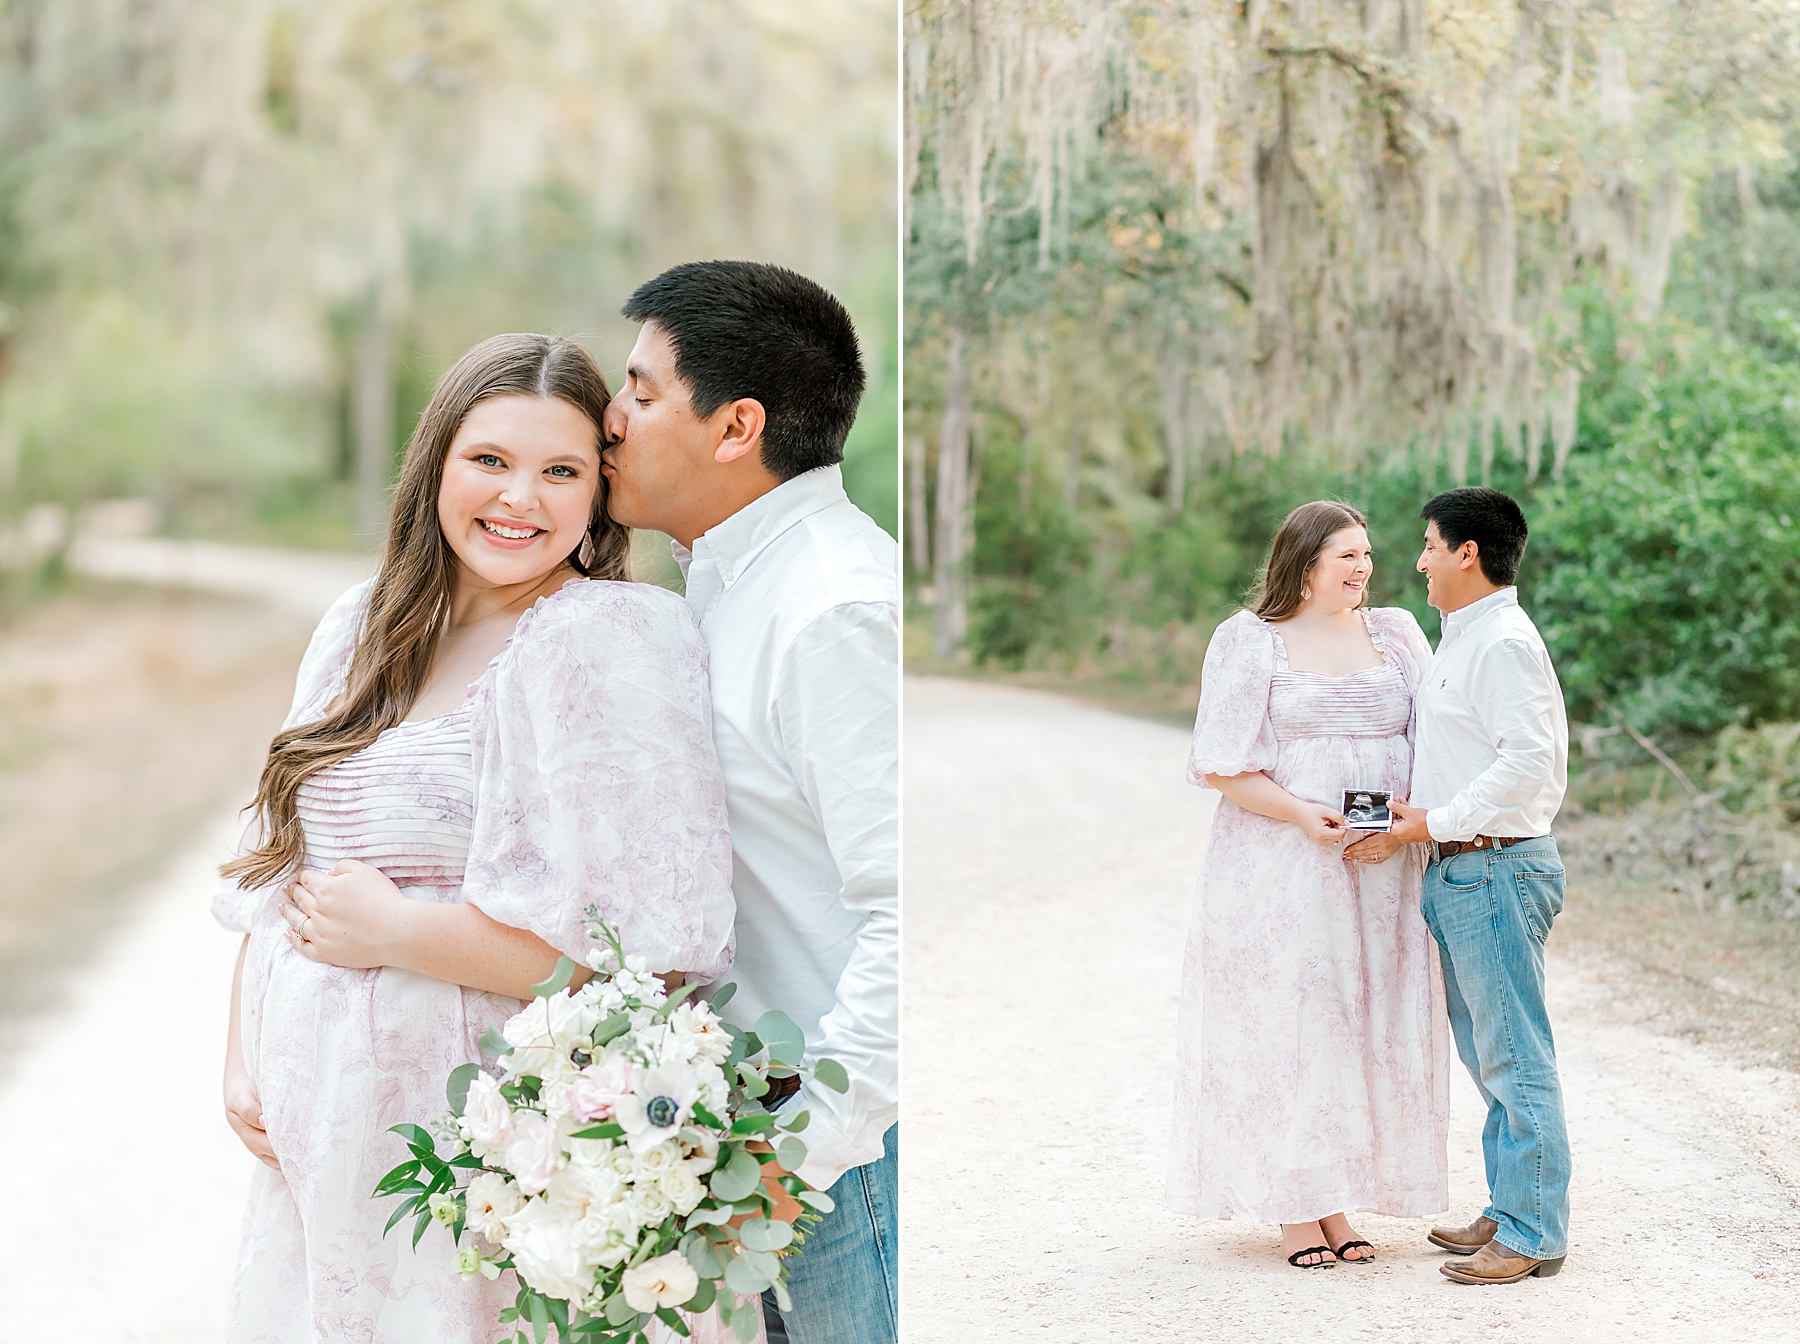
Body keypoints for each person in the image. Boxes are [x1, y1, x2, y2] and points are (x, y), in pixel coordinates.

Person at [214, 333, 737, 1342]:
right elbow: (276, 867)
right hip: (319, 1143)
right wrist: (241, 1061)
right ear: (437, 466)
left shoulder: (609, 638)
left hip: (493, 1163)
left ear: (600, 494)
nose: (520, 500)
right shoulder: (361, 625)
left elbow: (645, 961)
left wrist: (402, 933)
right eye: (490, 461)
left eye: (561, 472)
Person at [599, 260, 898, 1343]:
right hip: (763, 1129)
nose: (611, 418)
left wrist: (803, 1155)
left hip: (847, 1146)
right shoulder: (721, 581)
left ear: (736, 428)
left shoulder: (835, 609)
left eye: (639, 391)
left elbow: (907, 908)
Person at [1168, 500, 1450, 1268]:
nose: (1362, 569)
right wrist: (1300, 813)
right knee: (1295, 1023)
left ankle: (1337, 1197)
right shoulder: (1250, 641)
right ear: (1302, 565)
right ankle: (1297, 1208)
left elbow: (1432, 734)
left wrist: (1403, 826)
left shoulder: (1394, 632)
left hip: (1381, 864)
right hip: (1284, 865)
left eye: (1366, 555)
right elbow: (1223, 765)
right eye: (1344, 558)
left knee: (1360, 1020)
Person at [1385, 486, 1572, 1284]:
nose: (1419, 560)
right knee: (1487, 1055)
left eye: (1430, 545)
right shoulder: (1460, 639)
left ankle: (1533, 1233)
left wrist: (1435, 822)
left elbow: (1527, 762)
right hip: (1462, 868)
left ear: (1468, 552)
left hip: (1495, 864)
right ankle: (1509, 1204)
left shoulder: (1502, 643)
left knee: (1515, 1055)